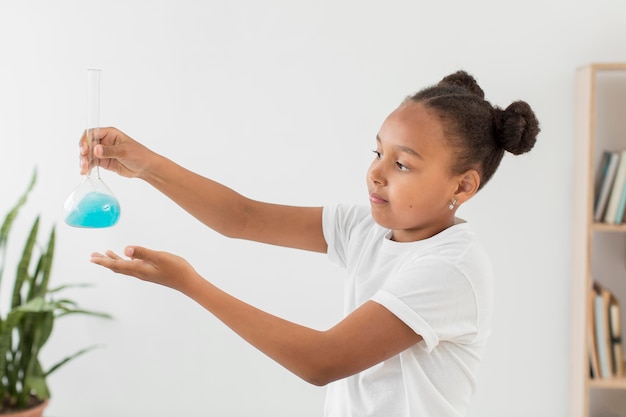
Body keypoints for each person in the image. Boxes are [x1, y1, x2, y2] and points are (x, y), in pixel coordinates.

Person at [84, 70, 539, 417]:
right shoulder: (367, 229)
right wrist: (141, 163)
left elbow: (321, 361)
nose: (376, 172)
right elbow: (241, 217)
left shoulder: (452, 268)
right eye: (378, 152)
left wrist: (190, 284)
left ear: (461, 187)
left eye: (403, 165)